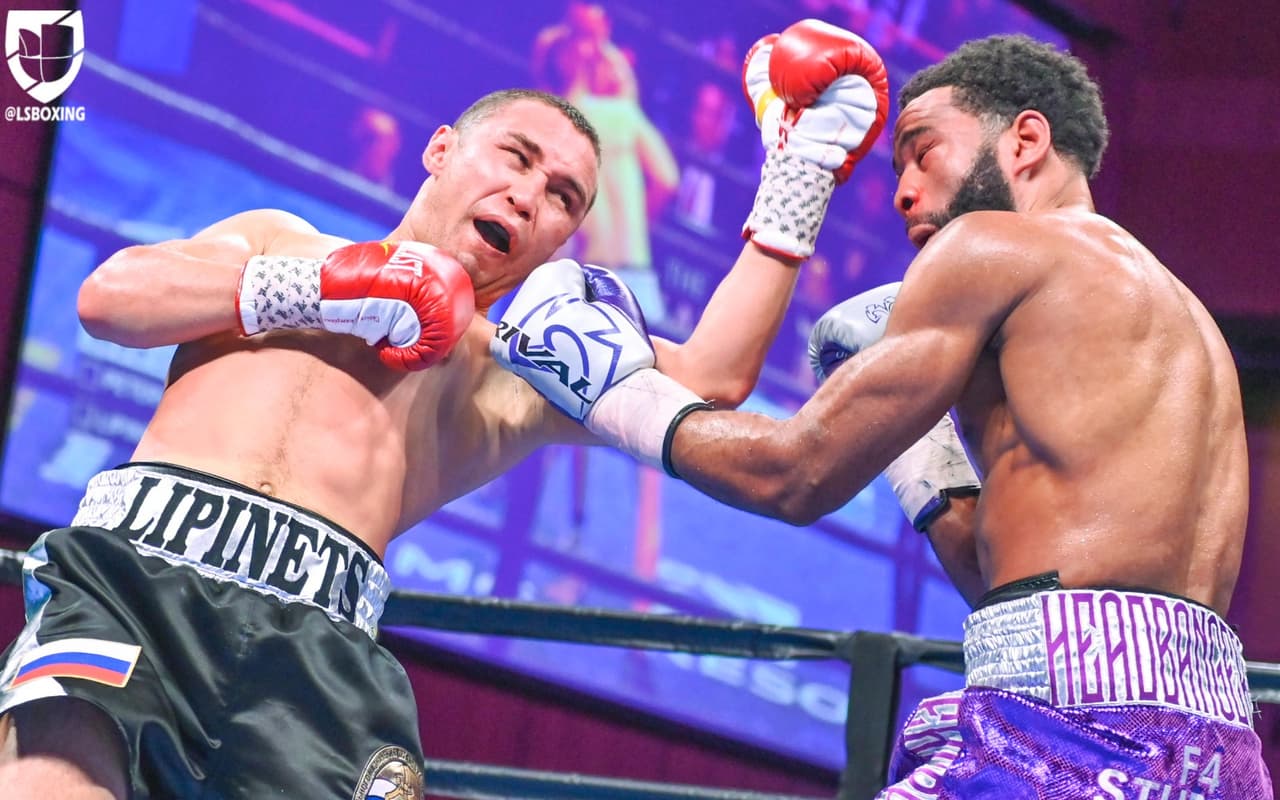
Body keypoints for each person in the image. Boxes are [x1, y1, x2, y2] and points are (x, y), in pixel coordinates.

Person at [0, 23, 890, 799]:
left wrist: (800, 176)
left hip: (317, 656)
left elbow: (711, 376)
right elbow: (111, 297)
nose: (531, 195)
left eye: (563, 198)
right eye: (517, 156)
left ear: (560, 242)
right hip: (136, 580)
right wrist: (327, 287)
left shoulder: (512, 367)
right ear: (440, 151)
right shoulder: (279, 238)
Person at [492, 31, 1274, 797]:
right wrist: (923, 457)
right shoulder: (1186, 321)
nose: (903, 189)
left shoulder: (994, 248)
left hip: (1068, 736)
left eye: (924, 150)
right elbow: (1036, 592)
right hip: (1218, 753)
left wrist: (611, 389)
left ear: (1026, 140)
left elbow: (792, 476)